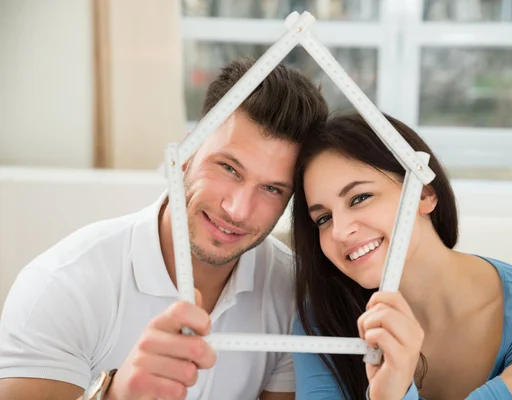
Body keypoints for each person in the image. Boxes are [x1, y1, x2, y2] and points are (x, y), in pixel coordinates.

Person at [0, 57, 329, 400]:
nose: (238, 210)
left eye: (272, 189)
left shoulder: (293, 293)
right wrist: (114, 396)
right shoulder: (63, 285)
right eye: (229, 168)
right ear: (186, 154)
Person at [290, 112, 512, 400]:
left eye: (359, 198)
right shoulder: (320, 319)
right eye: (323, 219)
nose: (340, 232)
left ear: (423, 194)